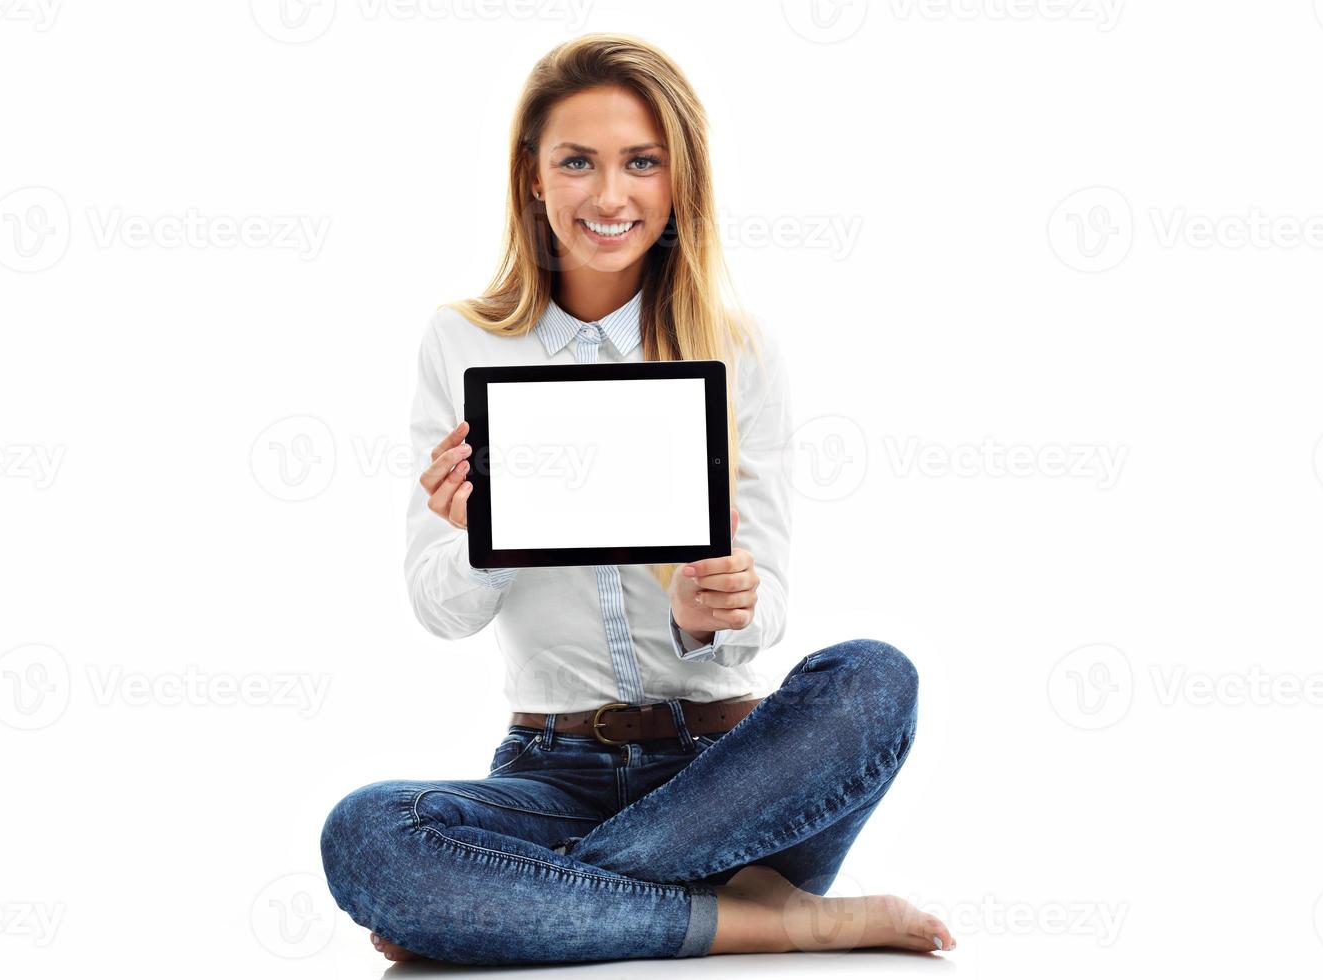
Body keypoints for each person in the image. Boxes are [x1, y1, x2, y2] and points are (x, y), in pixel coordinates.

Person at [319, 32, 954, 965]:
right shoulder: (463, 344)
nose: (608, 197)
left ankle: (528, 910)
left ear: (677, 182)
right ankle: (763, 920)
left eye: (641, 163)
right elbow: (436, 609)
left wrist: (709, 617)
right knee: (366, 833)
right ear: (532, 178)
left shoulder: (740, 350)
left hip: (732, 779)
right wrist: (482, 538)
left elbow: (764, 599)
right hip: (552, 772)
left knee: (875, 677)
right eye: (576, 162)